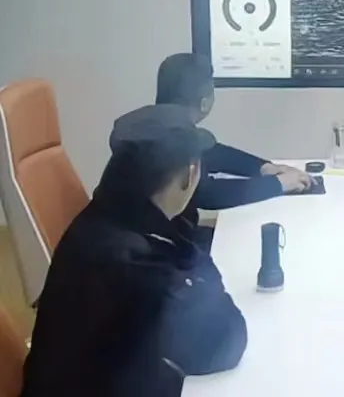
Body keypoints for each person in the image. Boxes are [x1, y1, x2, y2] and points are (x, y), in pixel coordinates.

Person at [22, 104, 248, 396]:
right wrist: (200, 270)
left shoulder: (103, 218)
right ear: (190, 174)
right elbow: (224, 341)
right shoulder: (134, 264)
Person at [155, 53, 312, 250]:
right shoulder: (172, 139)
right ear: (205, 103)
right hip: (157, 248)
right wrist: (278, 184)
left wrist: (264, 168)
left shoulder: (156, 127)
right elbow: (207, 193)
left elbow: (213, 153)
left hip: (155, 236)